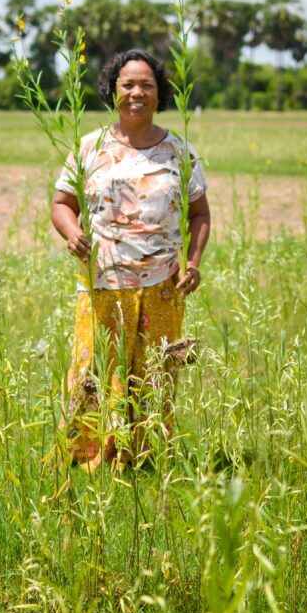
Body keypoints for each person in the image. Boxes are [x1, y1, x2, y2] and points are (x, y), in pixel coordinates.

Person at [51, 48, 211, 473]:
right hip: (102, 282)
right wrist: (72, 233)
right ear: (112, 90)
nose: (136, 93)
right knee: (93, 369)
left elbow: (200, 214)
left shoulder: (179, 150)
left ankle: (144, 457)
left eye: (147, 85)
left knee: (154, 372)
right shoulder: (89, 147)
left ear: (160, 94)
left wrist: (193, 262)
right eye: (127, 85)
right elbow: (61, 204)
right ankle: (87, 456)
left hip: (162, 286)